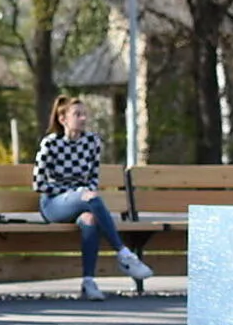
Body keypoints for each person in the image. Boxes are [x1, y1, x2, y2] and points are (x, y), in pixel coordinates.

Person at [32, 95, 154, 300]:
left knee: (90, 219)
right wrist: (74, 193)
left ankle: (88, 282)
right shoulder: (50, 144)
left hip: (83, 202)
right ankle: (123, 253)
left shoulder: (92, 142)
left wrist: (82, 193)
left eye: (84, 114)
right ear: (63, 119)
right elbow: (39, 184)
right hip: (53, 205)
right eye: (77, 114)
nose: (83, 118)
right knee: (90, 198)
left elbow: (93, 179)